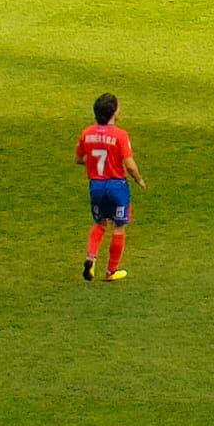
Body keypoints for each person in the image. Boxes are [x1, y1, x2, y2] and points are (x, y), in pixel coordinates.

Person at [78, 92, 146, 283]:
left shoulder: (87, 133)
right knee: (119, 226)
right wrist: (139, 180)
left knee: (100, 224)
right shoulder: (120, 135)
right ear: (113, 113)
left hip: (96, 186)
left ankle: (91, 259)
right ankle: (111, 271)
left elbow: (79, 159)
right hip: (117, 186)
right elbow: (130, 165)